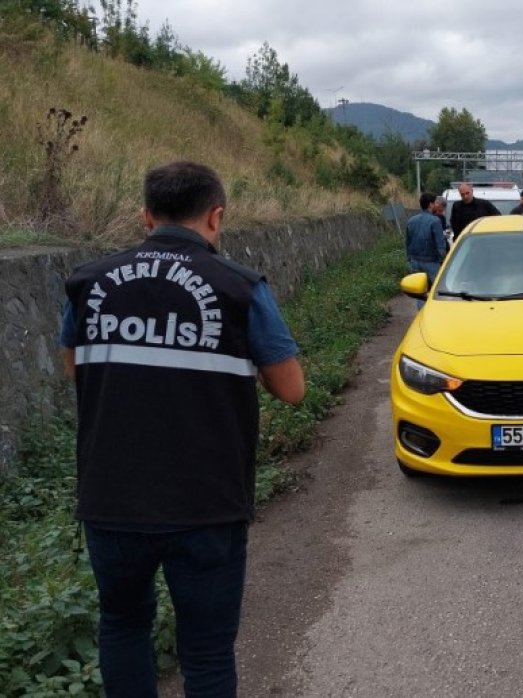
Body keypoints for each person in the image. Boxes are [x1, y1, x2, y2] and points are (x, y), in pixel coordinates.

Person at [59, 160, 305, 696]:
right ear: (216, 216)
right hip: (207, 503)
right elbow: (292, 388)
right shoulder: (240, 288)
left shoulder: (87, 282)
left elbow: (77, 369)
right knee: (208, 651)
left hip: (111, 497)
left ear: (145, 216)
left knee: (123, 626)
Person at [406, 192, 449, 309]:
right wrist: (444, 260)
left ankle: (421, 313)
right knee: (437, 290)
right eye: (435, 202)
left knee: (420, 292)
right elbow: (440, 245)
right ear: (430, 204)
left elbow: (407, 242)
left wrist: (409, 259)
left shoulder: (411, 220)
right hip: (432, 262)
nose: (436, 205)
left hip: (414, 260)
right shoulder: (435, 221)